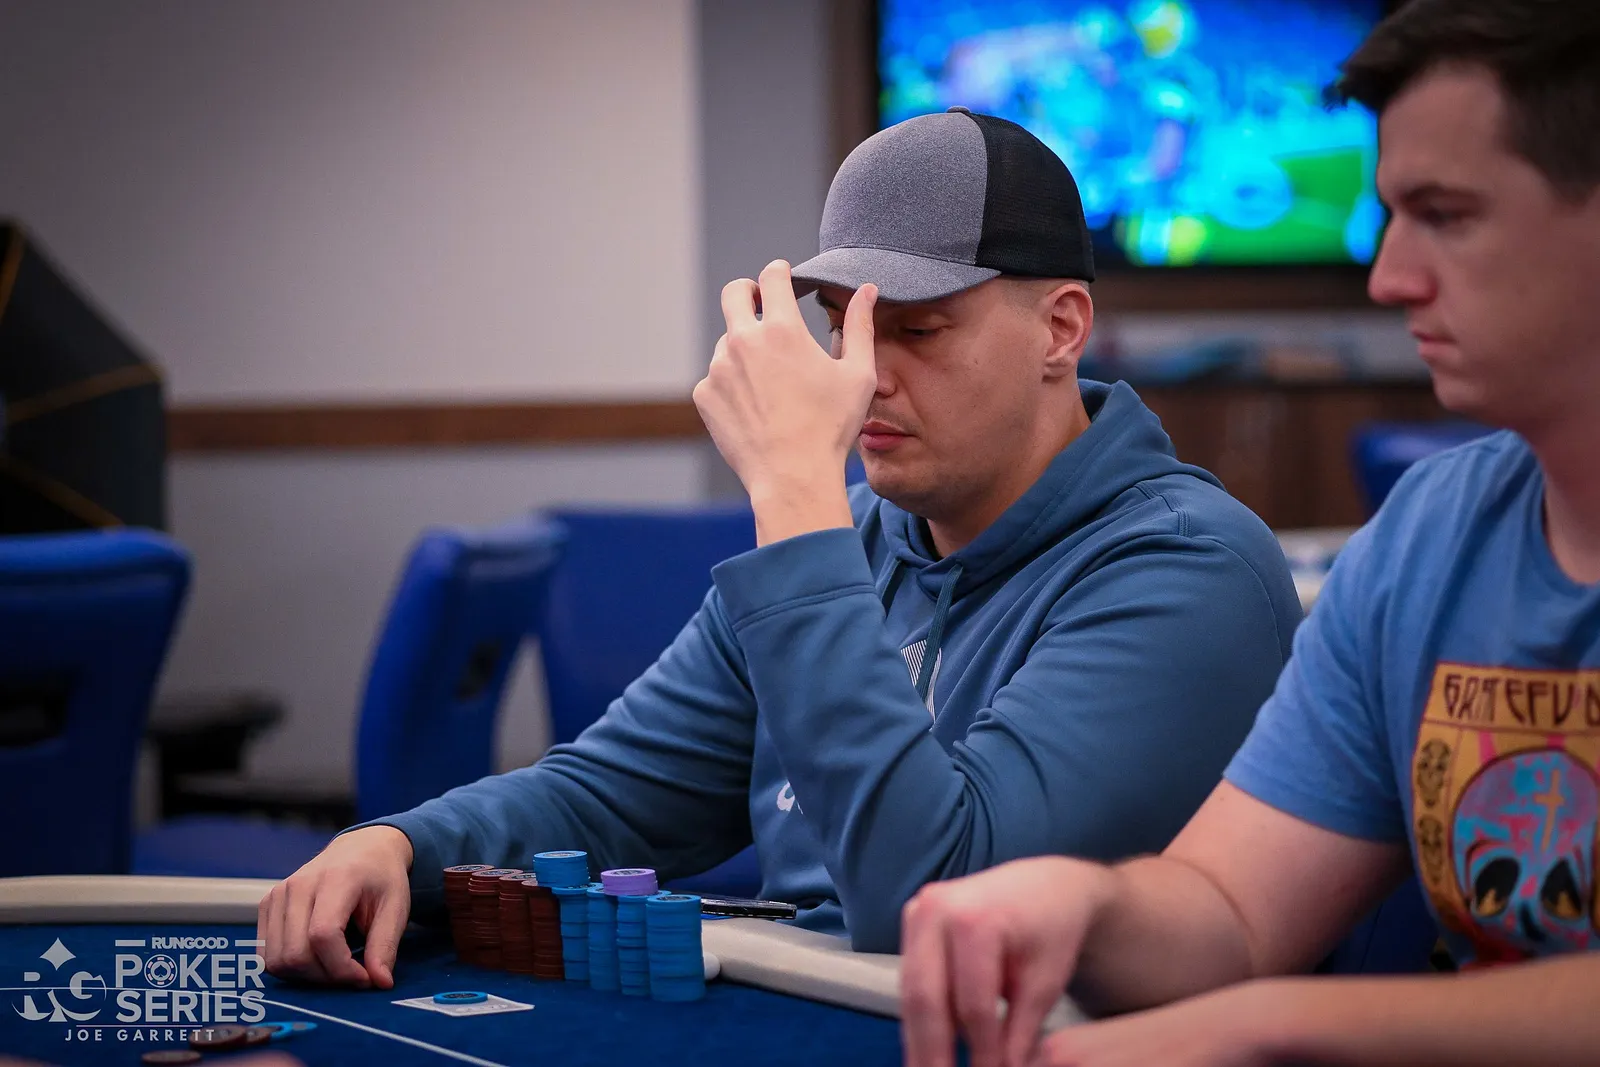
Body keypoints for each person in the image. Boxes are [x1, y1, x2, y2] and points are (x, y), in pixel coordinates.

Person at [259, 108, 1301, 989]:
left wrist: (795, 495)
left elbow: (935, 902)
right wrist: (401, 842)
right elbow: (610, 795)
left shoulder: (1188, 570)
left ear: (1061, 330)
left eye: (917, 329)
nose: (860, 375)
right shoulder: (850, 534)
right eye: (842, 323)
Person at [897, 3, 1600, 1066]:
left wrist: (1264, 1023)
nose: (1388, 277)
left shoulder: (1199, 550)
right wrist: (1082, 901)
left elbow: (1248, 991)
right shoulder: (1426, 537)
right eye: (1391, 215)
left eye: (1445, 215)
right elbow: (1229, 910)